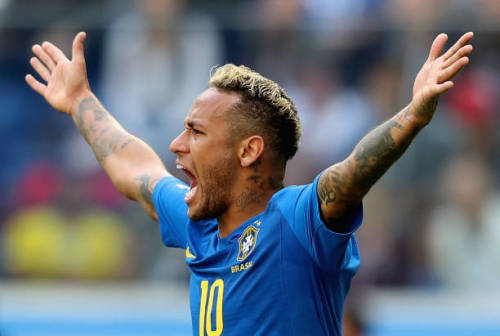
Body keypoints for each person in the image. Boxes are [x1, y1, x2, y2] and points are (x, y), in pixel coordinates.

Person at [25, 31, 473, 335]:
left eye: (196, 132)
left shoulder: (295, 220)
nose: (177, 144)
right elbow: (135, 171)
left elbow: (351, 174)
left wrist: (412, 116)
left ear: (247, 151)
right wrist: (81, 101)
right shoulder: (197, 221)